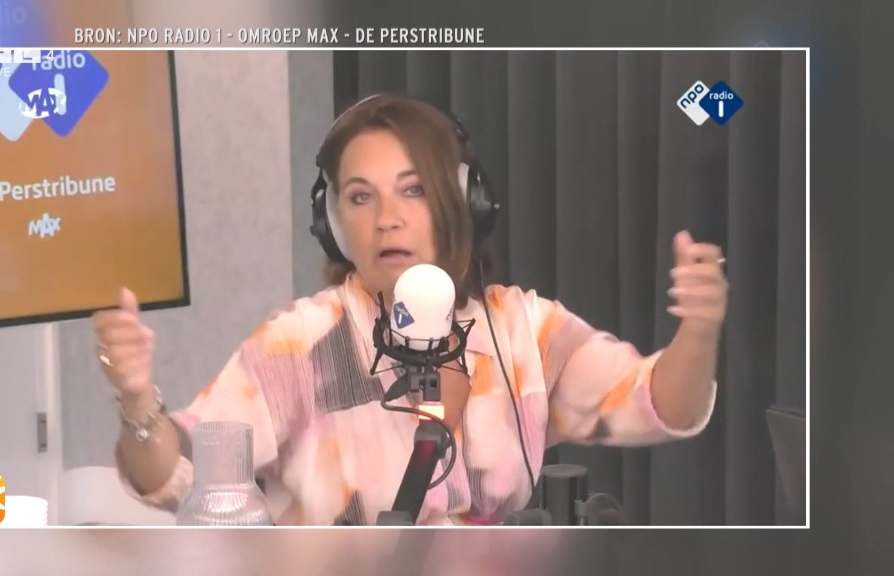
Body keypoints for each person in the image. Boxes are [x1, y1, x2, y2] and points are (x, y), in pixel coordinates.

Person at [93, 93, 727, 526]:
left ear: (462, 204)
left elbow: (656, 404)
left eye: (413, 190)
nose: (387, 218)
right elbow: (179, 472)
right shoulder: (302, 343)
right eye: (360, 197)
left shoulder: (520, 331)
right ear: (334, 224)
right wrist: (136, 397)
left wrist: (698, 332)